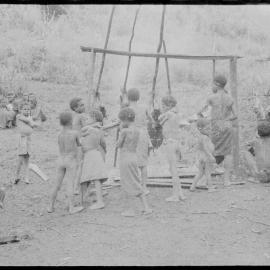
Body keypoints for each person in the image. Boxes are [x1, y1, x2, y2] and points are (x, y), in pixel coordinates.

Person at [198, 74, 237, 186]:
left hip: (215, 127)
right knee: (227, 153)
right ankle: (226, 180)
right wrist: (225, 120)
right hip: (227, 126)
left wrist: (197, 117)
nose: (211, 85)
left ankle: (206, 179)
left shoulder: (211, 98)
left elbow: (201, 111)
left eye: (212, 83)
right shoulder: (230, 98)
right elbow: (236, 115)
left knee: (211, 151)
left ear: (217, 84)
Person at [117, 107, 152, 217]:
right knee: (136, 182)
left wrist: (120, 131)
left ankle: (131, 210)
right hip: (134, 157)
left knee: (127, 184)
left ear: (125, 120)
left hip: (125, 158)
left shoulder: (124, 131)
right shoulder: (137, 130)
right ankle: (146, 207)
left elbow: (118, 145)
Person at [48, 112, 84, 214]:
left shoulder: (59, 134)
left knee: (56, 184)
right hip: (70, 160)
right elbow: (79, 144)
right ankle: (71, 208)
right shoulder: (74, 133)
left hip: (60, 159)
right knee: (70, 184)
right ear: (70, 121)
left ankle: (50, 206)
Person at [158, 95, 186, 202]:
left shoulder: (169, 114)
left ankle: (175, 196)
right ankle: (180, 193)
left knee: (173, 169)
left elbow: (159, 120)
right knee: (174, 169)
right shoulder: (178, 114)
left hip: (170, 142)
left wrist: (164, 113)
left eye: (163, 105)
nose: (162, 107)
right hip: (176, 142)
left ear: (168, 105)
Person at [80, 110, 107, 209]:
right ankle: (85, 197)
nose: (86, 120)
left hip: (91, 154)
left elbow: (82, 134)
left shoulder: (90, 129)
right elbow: (103, 142)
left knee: (95, 178)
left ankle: (100, 202)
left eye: (88, 118)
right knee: (87, 177)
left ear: (94, 118)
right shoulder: (98, 129)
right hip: (93, 154)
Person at [127, 88, 152, 194]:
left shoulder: (128, 109)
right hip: (143, 134)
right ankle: (144, 187)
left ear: (128, 97)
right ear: (139, 97)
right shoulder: (144, 107)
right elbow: (151, 119)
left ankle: (135, 186)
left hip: (132, 134)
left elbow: (124, 123)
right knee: (143, 163)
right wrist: (144, 123)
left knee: (132, 160)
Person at [14, 102, 39, 184]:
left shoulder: (30, 117)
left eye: (28, 109)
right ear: (20, 110)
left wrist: (33, 123)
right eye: (24, 109)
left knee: (27, 159)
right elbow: (30, 122)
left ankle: (26, 177)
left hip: (28, 139)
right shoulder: (19, 116)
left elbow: (34, 124)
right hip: (22, 139)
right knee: (20, 159)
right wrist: (33, 123)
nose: (27, 110)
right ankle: (16, 176)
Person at [190, 118, 216, 192]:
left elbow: (198, 147)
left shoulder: (200, 136)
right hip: (206, 157)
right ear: (200, 128)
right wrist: (210, 156)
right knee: (208, 173)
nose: (209, 130)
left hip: (201, 157)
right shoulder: (204, 137)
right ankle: (210, 187)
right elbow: (205, 148)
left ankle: (192, 186)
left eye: (209, 128)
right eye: (207, 128)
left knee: (200, 173)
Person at [69, 97, 86, 195]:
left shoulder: (74, 116)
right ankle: (76, 188)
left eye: (84, 104)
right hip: (80, 143)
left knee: (77, 165)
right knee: (81, 165)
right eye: (81, 105)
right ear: (75, 108)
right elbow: (88, 127)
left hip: (74, 143)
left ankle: (75, 186)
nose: (84, 107)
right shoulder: (81, 116)